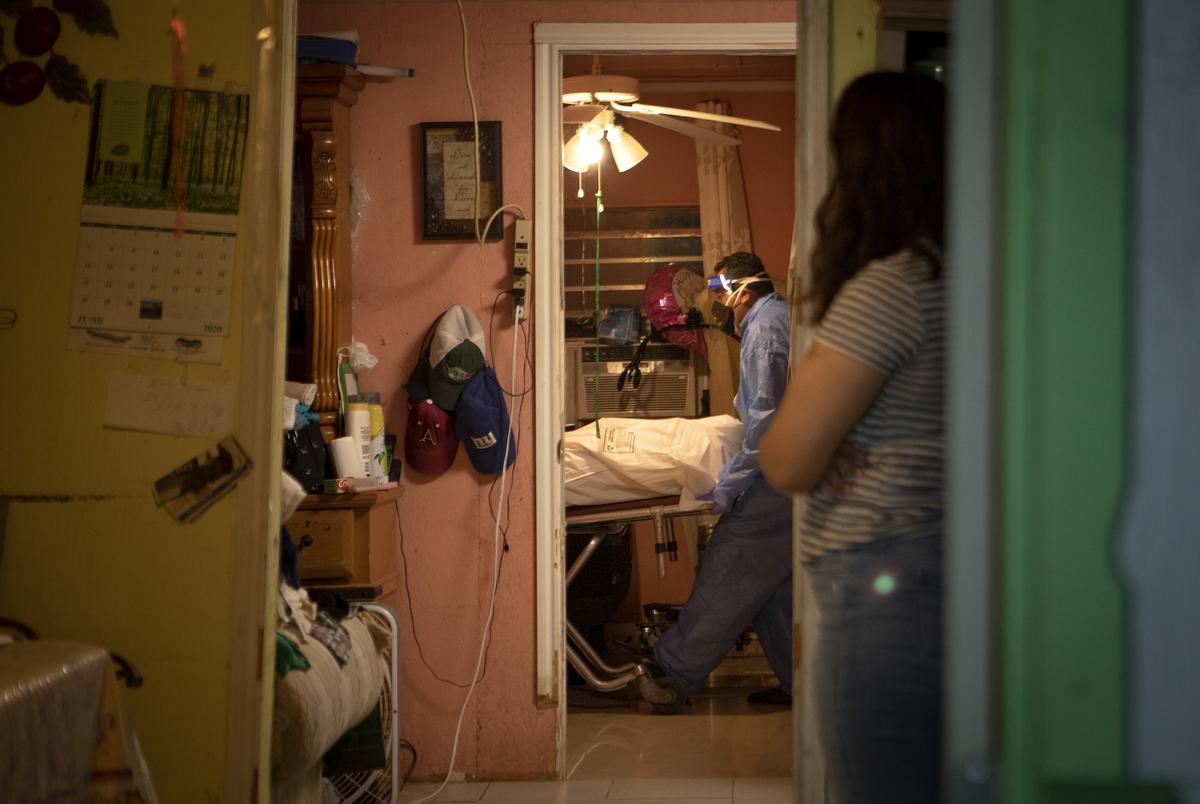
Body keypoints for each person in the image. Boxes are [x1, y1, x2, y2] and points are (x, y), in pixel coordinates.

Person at [759, 71, 946, 803]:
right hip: (956, 571)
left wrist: (821, 443)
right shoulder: (980, 277)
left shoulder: (894, 286)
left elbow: (787, 456)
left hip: (889, 589)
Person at [649, 251, 795, 708]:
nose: (720, 307)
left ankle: (673, 672)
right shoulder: (777, 318)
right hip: (799, 472)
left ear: (744, 292)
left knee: (732, 565)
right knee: (773, 586)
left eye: (723, 295)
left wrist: (732, 482)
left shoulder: (764, 331)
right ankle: (801, 682)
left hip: (778, 474)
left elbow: (767, 424)